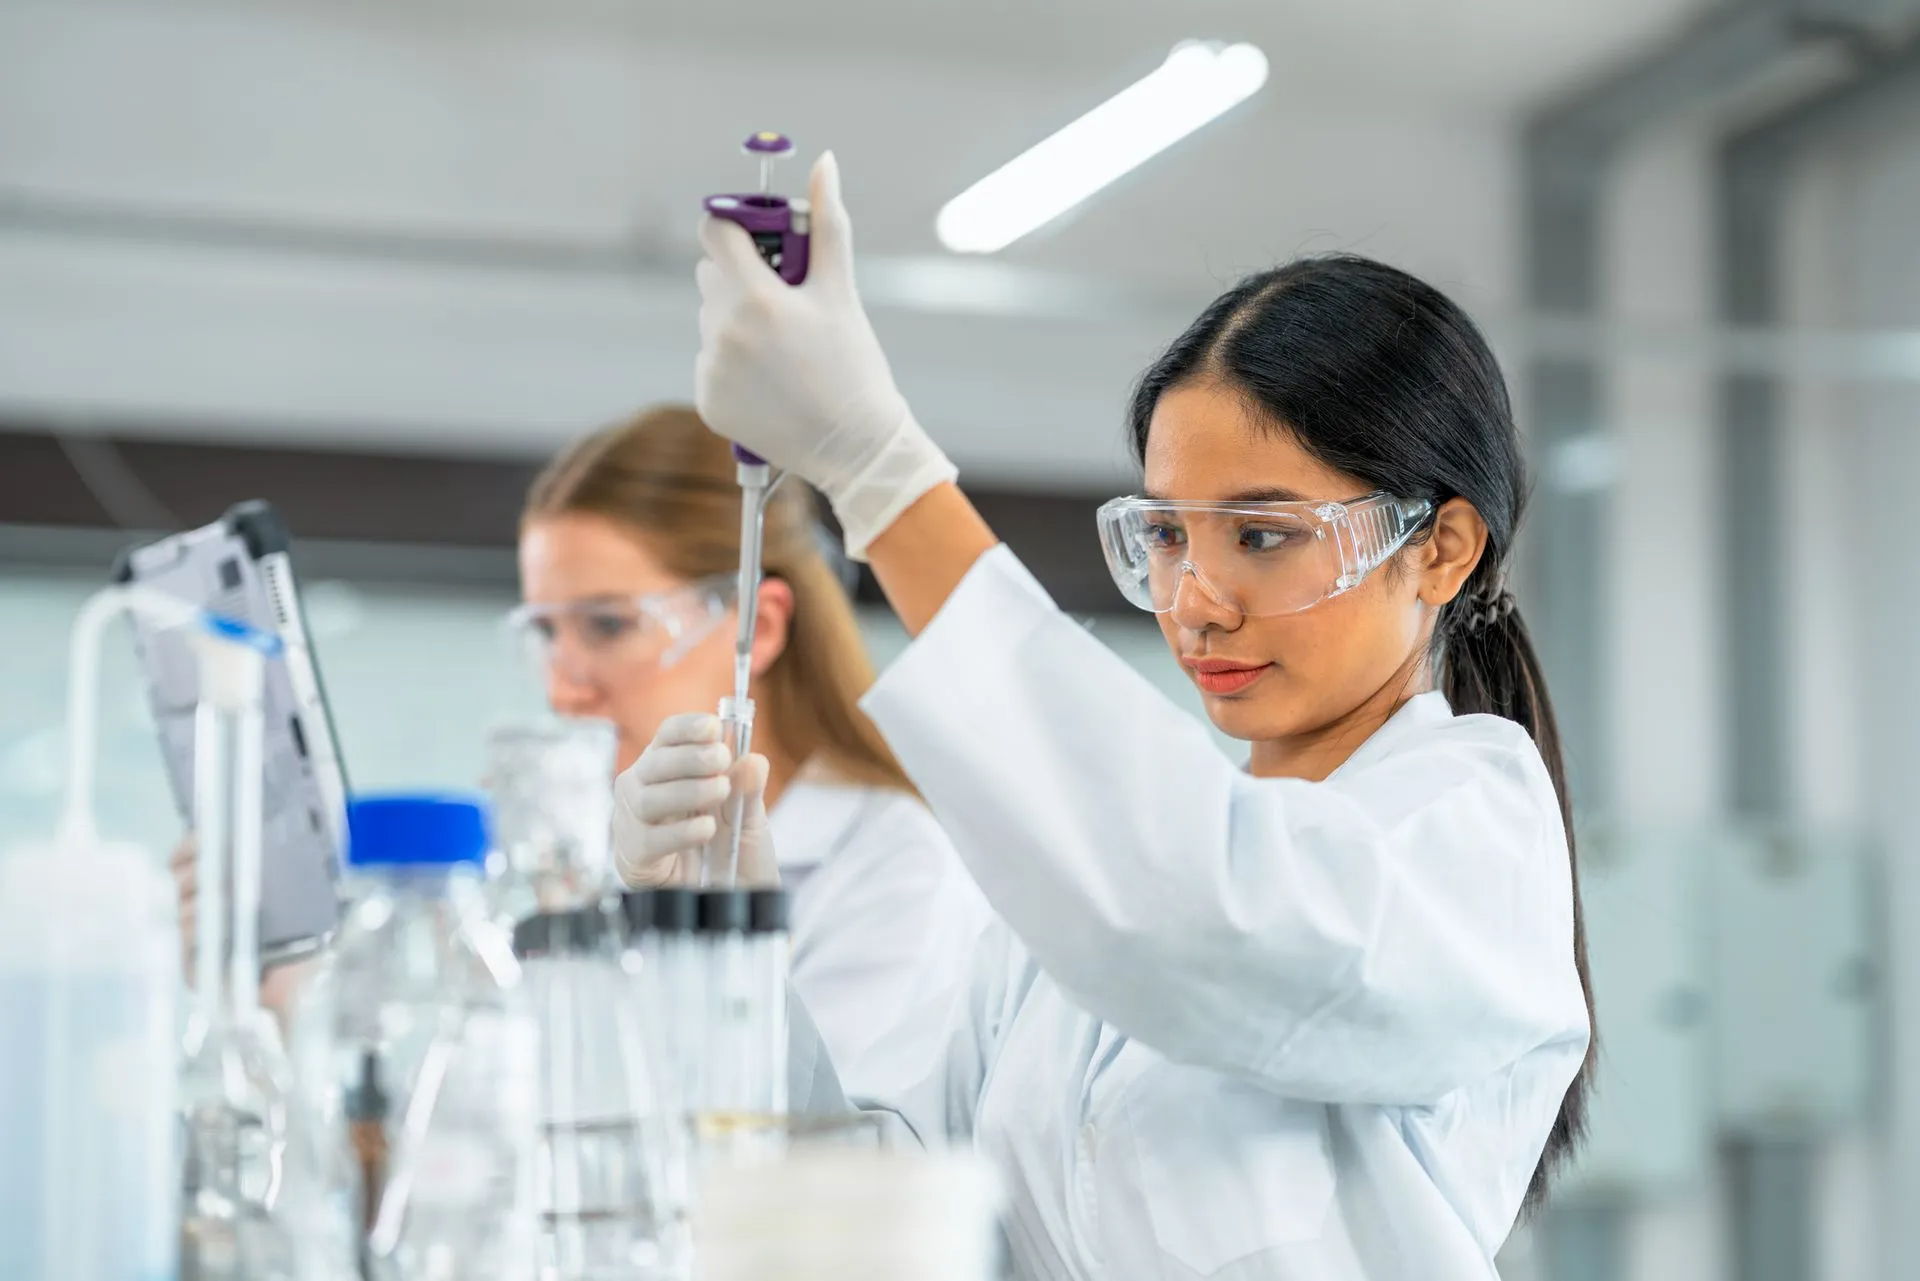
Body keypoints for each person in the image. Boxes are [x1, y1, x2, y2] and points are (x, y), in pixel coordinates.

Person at [617, 153, 1595, 1280]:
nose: (1196, 602)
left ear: (1440, 550)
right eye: (1170, 536)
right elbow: (890, 1214)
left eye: (1263, 537)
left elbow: (1205, 919)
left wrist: (880, 476)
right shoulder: (1085, 893)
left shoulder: (1469, 832)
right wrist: (721, 942)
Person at [517, 406, 988, 1089]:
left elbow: (819, 1154)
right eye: (545, 636)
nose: (564, 690)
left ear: (759, 628)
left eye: (608, 625)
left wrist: (708, 947)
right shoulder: (595, 850)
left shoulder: (894, 864)